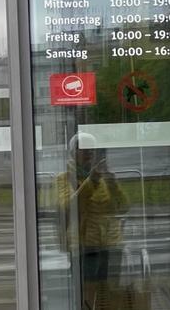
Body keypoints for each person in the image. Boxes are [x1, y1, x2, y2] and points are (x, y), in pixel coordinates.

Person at [53, 132, 128, 310]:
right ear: (72, 153)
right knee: (86, 293)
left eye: (91, 150)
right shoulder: (64, 179)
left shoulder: (103, 178)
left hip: (110, 243)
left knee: (108, 291)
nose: (88, 154)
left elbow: (123, 207)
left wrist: (112, 183)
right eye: (83, 149)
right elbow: (68, 208)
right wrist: (91, 181)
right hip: (84, 245)